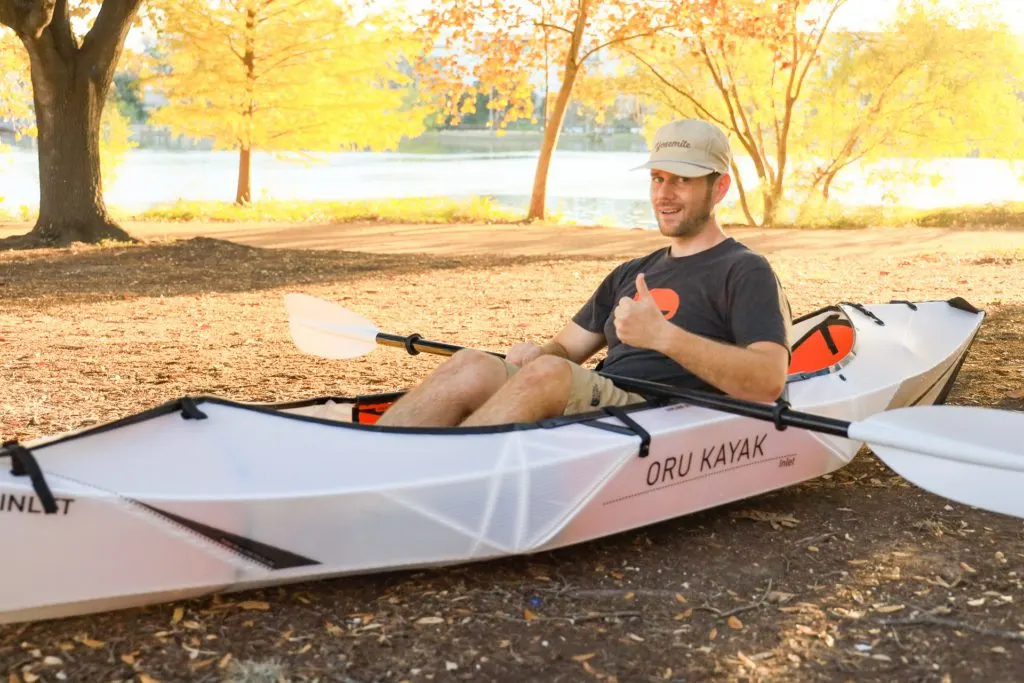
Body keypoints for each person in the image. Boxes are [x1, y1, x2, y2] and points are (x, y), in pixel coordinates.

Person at [377, 118, 793, 428]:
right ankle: (371, 456)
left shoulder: (744, 270)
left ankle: (439, 476)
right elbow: (564, 351)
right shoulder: (632, 271)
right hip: (601, 399)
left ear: (719, 188)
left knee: (549, 375)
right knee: (473, 363)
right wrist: (538, 354)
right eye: (657, 178)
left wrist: (664, 337)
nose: (664, 194)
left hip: (657, 414)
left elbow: (767, 382)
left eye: (682, 180)